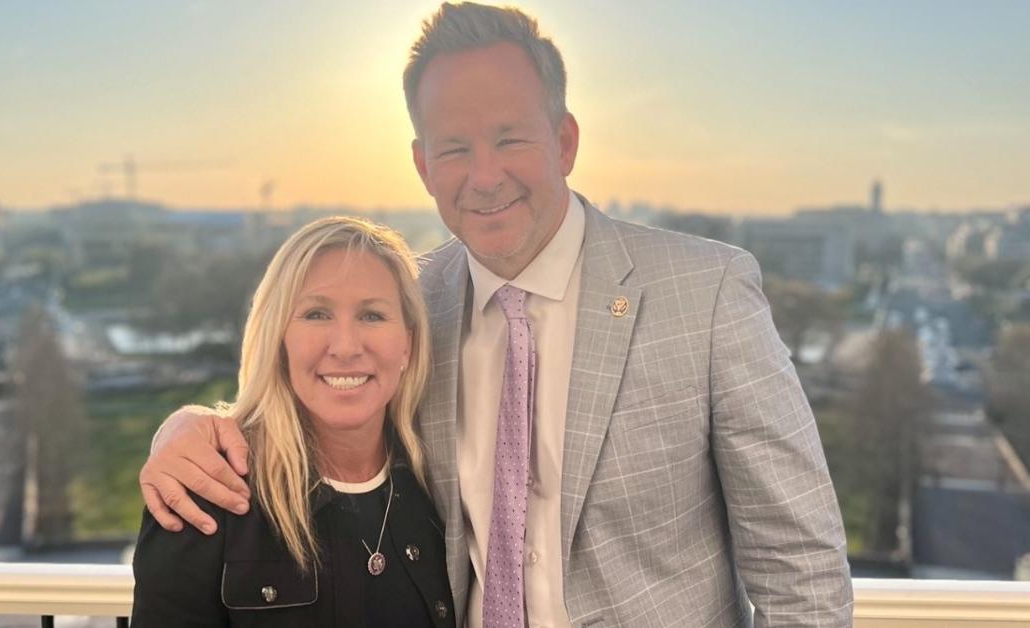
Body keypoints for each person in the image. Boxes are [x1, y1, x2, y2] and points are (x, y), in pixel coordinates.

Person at [139, 3, 853, 626]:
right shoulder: (415, 307)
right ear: (422, 166)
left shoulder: (709, 291)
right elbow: (321, 401)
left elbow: (799, 561)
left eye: (510, 138)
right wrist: (190, 428)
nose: (484, 176)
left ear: (565, 140)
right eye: (455, 148)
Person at [131, 217, 455, 627]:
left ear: (407, 342)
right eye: (317, 314)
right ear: (278, 336)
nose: (346, 347)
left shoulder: (439, 484)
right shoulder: (208, 489)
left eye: (372, 316)